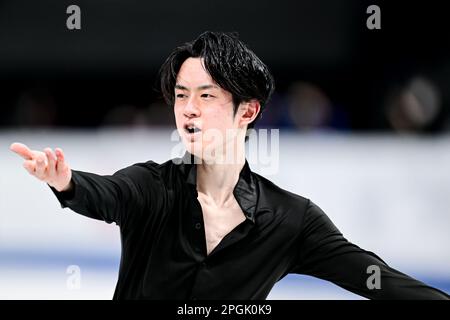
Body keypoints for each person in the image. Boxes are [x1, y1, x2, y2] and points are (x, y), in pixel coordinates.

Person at [10, 31, 449, 300]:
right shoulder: (151, 187)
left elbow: (378, 280)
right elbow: (106, 195)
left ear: (248, 111)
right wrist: (65, 182)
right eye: (182, 95)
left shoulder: (290, 220)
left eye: (206, 96)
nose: (189, 110)